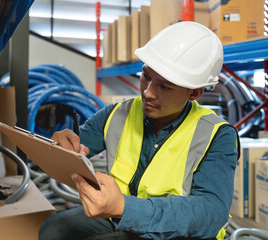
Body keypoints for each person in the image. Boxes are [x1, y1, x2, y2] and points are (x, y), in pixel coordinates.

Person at [39, 21, 240, 240]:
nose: (148, 92)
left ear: (194, 93)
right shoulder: (117, 114)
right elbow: (76, 146)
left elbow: (211, 212)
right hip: (123, 218)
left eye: (164, 86)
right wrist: (61, 146)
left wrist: (126, 207)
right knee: (54, 230)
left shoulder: (217, 135)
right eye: (146, 76)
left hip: (178, 231)